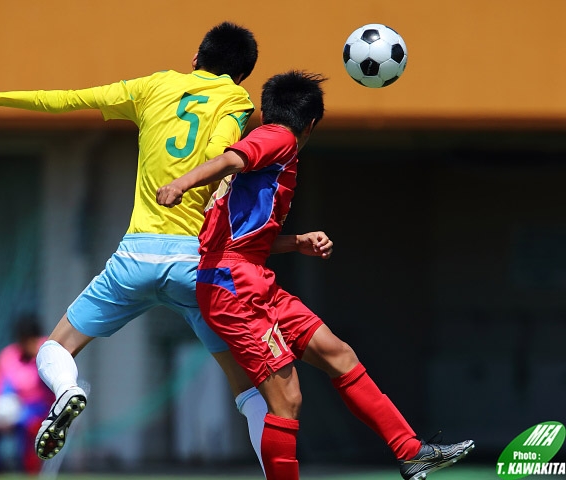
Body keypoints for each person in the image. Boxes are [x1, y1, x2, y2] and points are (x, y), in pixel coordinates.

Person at [0, 22, 271, 468]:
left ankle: (66, 391)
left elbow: (68, 99)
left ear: (197, 57)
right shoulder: (236, 99)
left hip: (136, 257)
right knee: (249, 392)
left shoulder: (154, 86)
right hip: (195, 264)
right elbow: (222, 157)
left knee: (53, 349)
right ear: (241, 74)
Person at [156, 70, 476, 480]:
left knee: (338, 355)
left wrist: (297, 242)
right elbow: (231, 158)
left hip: (250, 278)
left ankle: (411, 451)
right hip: (234, 288)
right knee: (286, 399)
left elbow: (238, 240)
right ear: (309, 125)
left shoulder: (268, 163)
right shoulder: (280, 139)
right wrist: (181, 184)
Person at [0, 314, 55, 474]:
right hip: (13, 410)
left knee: (27, 430)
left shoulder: (49, 354)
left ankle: (31, 472)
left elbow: (54, 393)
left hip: (40, 413)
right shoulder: (8, 356)